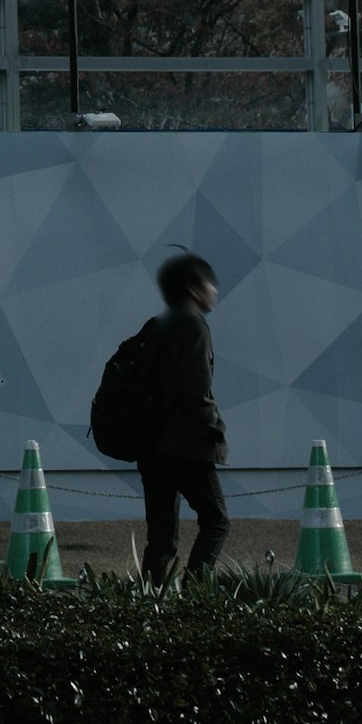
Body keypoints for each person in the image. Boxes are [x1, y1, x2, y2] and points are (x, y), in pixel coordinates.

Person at [136, 250, 230, 583]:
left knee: (161, 536)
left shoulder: (158, 324)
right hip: (185, 445)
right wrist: (214, 430)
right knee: (216, 520)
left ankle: (153, 604)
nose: (214, 291)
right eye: (209, 283)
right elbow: (196, 392)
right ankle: (194, 595)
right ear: (193, 288)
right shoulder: (192, 326)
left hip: (150, 444)